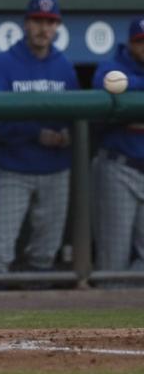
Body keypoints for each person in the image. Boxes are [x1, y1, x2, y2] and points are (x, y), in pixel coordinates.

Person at [0, 0, 79, 275]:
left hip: (56, 170)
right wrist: (35, 133)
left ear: (57, 27)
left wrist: (68, 134)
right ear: (26, 24)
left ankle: (37, 315)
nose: (43, 28)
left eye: (50, 22)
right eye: (38, 21)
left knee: (46, 253)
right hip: (15, 169)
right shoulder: (4, 63)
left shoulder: (64, 66)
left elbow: (77, 116)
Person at [92, 17, 144, 272]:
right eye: (140, 42)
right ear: (130, 44)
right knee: (113, 259)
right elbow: (106, 82)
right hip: (119, 168)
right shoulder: (113, 66)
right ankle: (108, 309)